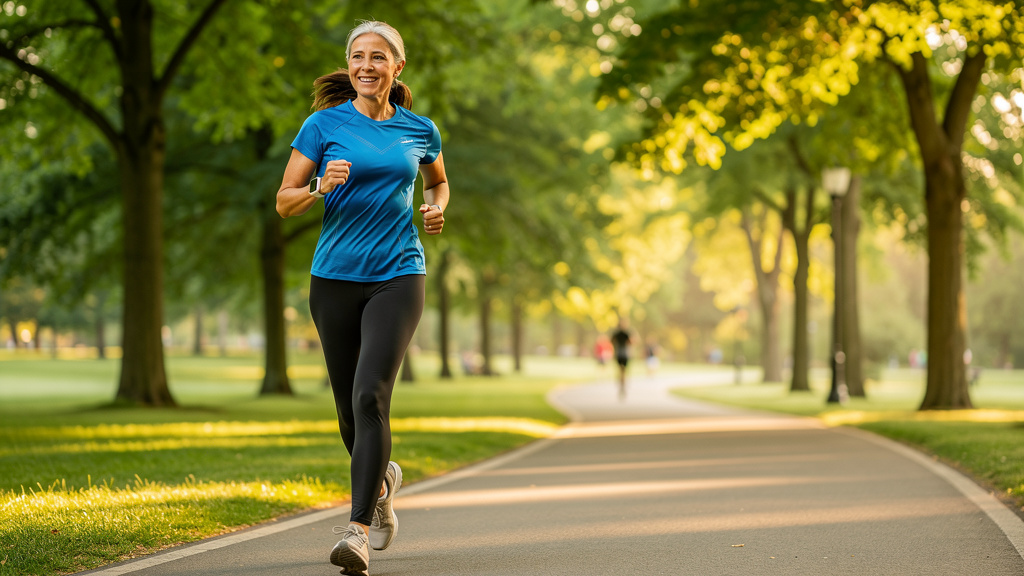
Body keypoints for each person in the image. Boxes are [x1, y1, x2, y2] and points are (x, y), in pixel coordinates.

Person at [275, 20, 449, 576]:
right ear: (348, 65)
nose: (366, 66)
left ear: (397, 68)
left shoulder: (420, 129)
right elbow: (283, 201)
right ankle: (383, 480)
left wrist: (437, 205)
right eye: (357, 56)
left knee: (370, 394)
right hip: (334, 278)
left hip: (399, 274)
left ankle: (355, 530)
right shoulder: (323, 125)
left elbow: (437, 180)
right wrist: (319, 187)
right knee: (348, 410)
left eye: (378, 57)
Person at [610, 320, 632, 400]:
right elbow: (631, 342)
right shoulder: (626, 333)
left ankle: (621, 383)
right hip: (623, 354)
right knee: (623, 370)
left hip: (620, 354)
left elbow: (612, 341)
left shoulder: (617, 333)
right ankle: (622, 383)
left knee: (621, 370)